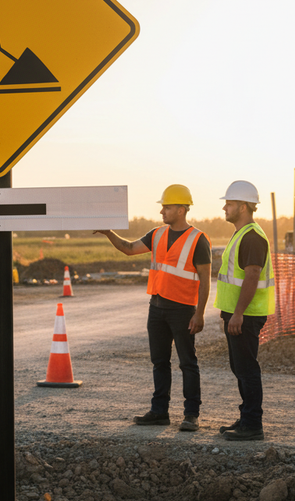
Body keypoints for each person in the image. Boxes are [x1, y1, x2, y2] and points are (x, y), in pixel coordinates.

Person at [94, 184, 211, 431]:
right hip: (156, 307)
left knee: (188, 363)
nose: (162, 212)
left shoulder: (198, 239)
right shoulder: (156, 234)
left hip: (182, 310)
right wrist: (109, 233)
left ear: (181, 209)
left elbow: (205, 279)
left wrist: (199, 313)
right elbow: (129, 249)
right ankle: (159, 412)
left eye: (166, 207)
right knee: (160, 362)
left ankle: (191, 415)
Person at [214, 181, 275, 441]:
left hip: (246, 315)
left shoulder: (251, 237)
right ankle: (246, 417)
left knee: (247, 369)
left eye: (228, 203)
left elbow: (251, 277)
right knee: (240, 367)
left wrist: (238, 313)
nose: (224, 208)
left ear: (242, 206)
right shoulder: (242, 234)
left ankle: (252, 425)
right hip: (238, 314)